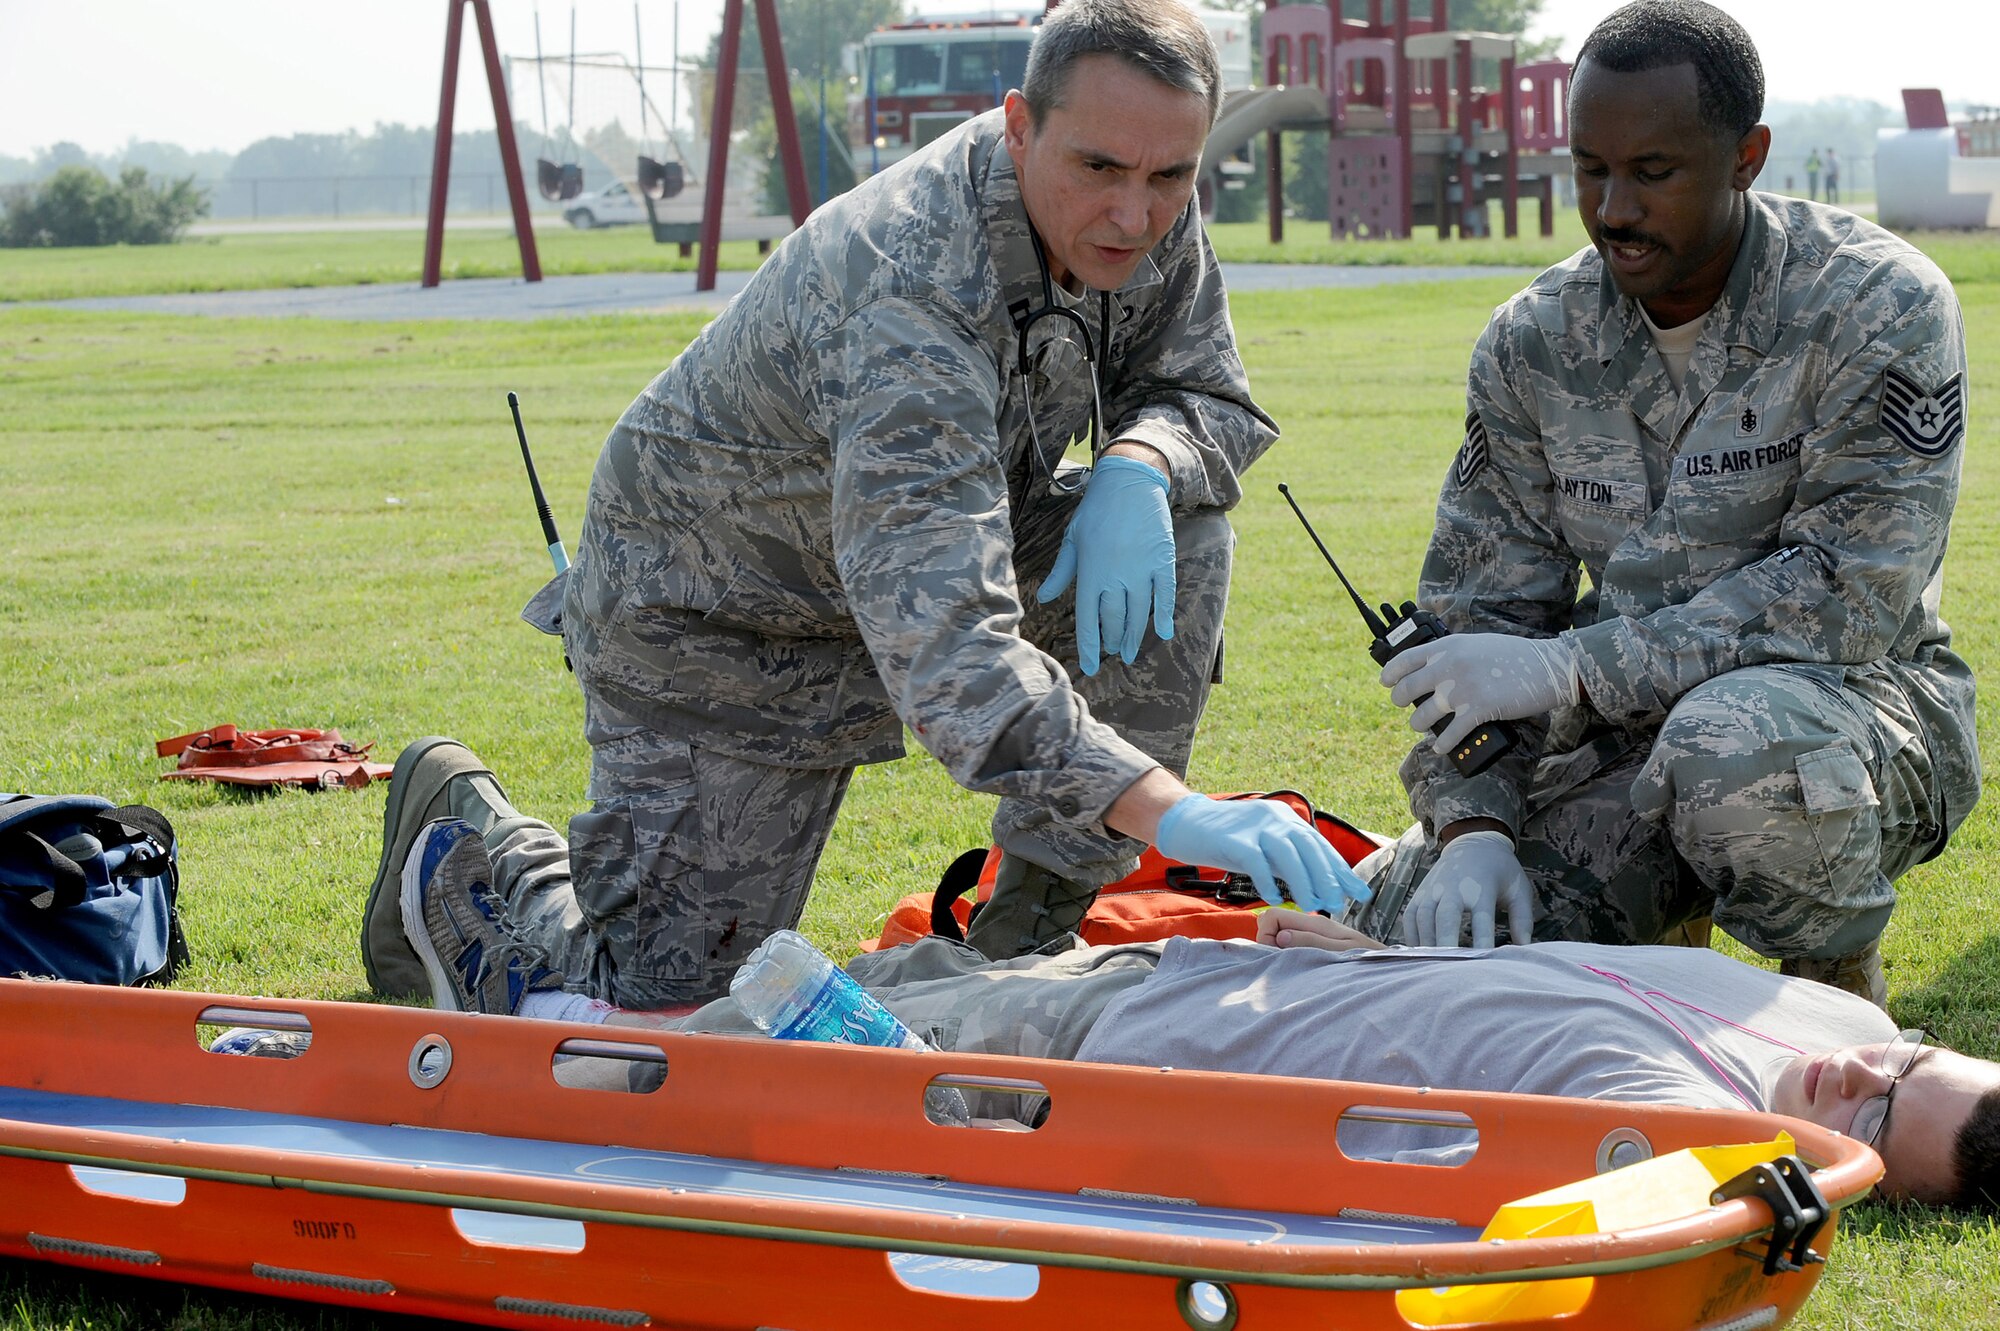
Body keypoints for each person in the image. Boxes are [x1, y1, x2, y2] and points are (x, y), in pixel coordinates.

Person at [359, 0, 1369, 1012]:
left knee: (1183, 535)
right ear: (1018, 125)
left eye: (1169, 176)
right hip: (721, 617)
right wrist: (1170, 811)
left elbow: (1210, 395)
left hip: (927, 548)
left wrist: (1141, 463)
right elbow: (949, 654)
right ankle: (474, 856)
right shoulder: (912, 285)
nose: (1133, 215)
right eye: (1099, 169)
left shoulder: (1140, 187)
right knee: (673, 1003)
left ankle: (1023, 935)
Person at [1347, 0, 1978, 1006]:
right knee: (1419, 940)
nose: (1611, 208)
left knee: (1732, 750)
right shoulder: (1532, 341)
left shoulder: (1872, 303)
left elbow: (1845, 599)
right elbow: (1483, 614)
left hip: (1855, 711)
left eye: (1651, 172)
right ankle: (1656, 1004)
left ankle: (1843, 1027)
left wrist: (1561, 665)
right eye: (1587, 168)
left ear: (1745, 155)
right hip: (1620, 736)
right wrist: (1471, 829)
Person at [398, 815, 2000, 1210]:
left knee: (675, 1047)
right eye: (1910, 1051)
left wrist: (1815, 1148)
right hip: (1188, 973)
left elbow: (1714, 1165)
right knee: (763, 986)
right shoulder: (1790, 1003)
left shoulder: (1683, 1106)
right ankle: (496, 895)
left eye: (1872, 1107)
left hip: (1108, 1050)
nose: (1863, 1059)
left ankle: (487, 905)